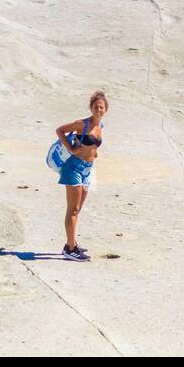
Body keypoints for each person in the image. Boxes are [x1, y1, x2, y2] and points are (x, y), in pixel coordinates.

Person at [54, 91, 107, 260]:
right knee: (73, 209)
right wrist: (71, 149)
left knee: (78, 209)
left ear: (105, 110)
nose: (98, 109)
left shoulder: (100, 127)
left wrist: (93, 153)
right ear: (91, 108)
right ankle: (70, 249)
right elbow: (60, 130)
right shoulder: (81, 124)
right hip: (74, 168)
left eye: (101, 107)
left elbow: (93, 145)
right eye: (95, 106)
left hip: (88, 170)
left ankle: (71, 243)